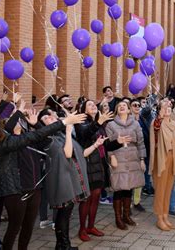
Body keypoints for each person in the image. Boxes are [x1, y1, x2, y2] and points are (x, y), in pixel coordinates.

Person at [0, 107, 86, 250]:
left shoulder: (20, 138)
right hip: (16, 191)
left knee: (27, 227)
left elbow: (41, 137)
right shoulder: (7, 142)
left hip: (33, 188)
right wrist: (64, 122)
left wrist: (34, 123)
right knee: (13, 228)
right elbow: (13, 130)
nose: (19, 122)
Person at [37, 108, 90, 250]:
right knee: (63, 213)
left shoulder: (58, 134)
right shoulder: (47, 138)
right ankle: (63, 245)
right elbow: (68, 152)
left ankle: (62, 245)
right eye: (47, 117)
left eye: (52, 115)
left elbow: (76, 150)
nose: (52, 117)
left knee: (66, 213)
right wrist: (67, 130)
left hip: (68, 178)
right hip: (60, 180)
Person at [75, 100, 120, 241]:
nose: (93, 105)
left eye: (94, 104)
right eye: (89, 105)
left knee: (95, 198)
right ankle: (82, 229)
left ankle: (91, 226)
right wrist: (98, 122)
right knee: (86, 199)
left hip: (100, 164)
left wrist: (119, 142)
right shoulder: (81, 122)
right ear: (83, 109)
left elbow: (105, 145)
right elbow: (85, 134)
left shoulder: (100, 124)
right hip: (88, 164)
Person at [105, 101, 146, 230]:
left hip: (133, 158)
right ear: (117, 110)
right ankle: (118, 218)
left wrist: (142, 159)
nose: (122, 107)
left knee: (129, 188)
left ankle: (126, 215)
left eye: (125, 106)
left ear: (129, 110)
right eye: (120, 106)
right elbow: (107, 143)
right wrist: (111, 156)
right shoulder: (110, 125)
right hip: (118, 157)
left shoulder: (136, 124)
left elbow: (141, 143)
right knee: (119, 188)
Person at [149, 98, 175, 231]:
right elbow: (157, 127)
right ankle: (159, 218)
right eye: (164, 107)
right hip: (161, 159)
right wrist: (162, 107)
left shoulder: (173, 123)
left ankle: (165, 215)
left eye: (169, 107)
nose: (168, 107)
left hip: (173, 158)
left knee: (169, 189)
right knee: (160, 189)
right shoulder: (157, 122)